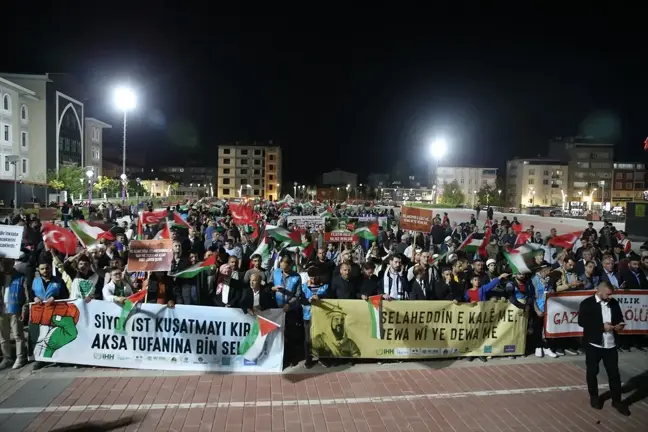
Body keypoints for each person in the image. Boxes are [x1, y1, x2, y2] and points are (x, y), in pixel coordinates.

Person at [577, 281, 630, 416]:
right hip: (594, 344)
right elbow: (582, 322)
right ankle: (594, 397)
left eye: (612, 294)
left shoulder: (614, 303)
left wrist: (620, 324)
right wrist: (602, 327)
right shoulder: (587, 303)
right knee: (592, 372)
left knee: (614, 374)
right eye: (608, 294)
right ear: (599, 291)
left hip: (610, 344)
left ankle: (617, 401)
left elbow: (619, 318)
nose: (610, 297)